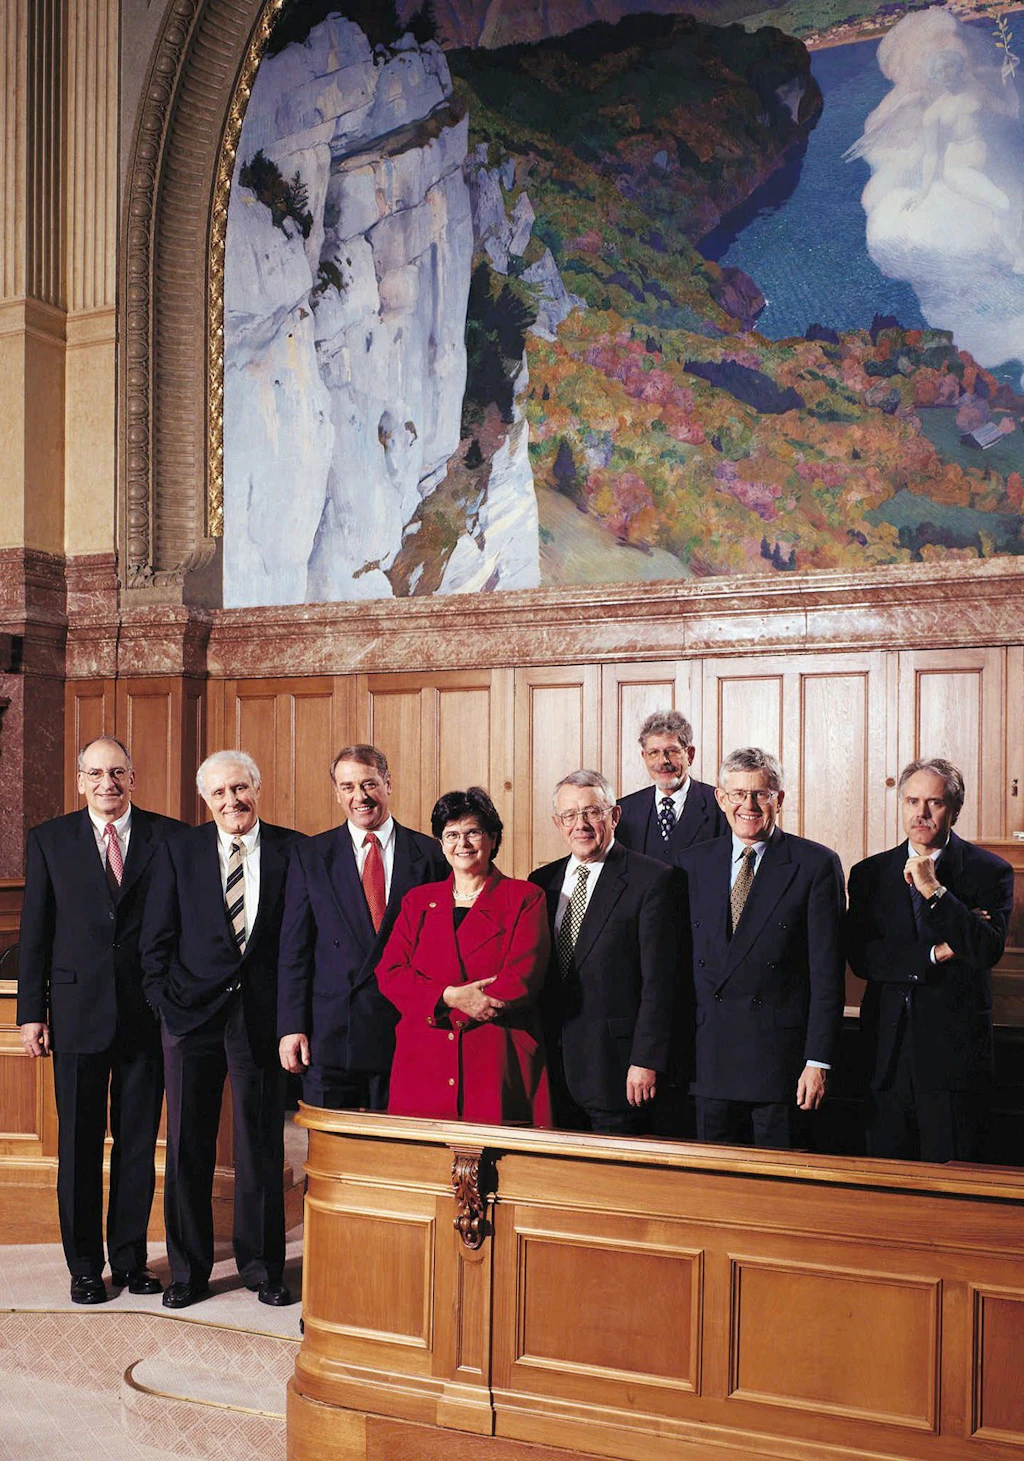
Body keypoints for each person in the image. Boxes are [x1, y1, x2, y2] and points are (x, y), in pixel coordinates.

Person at [17, 737, 182, 1304]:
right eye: (96, 773)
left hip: (147, 1016)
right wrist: (29, 1015)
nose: (107, 783)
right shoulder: (50, 840)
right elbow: (34, 933)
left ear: (133, 778)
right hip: (74, 1014)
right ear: (80, 780)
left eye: (118, 772)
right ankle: (85, 1266)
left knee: (137, 1145)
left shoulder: (171, 837)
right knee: (80, 1147)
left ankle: (132, 1261)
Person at [141, 751, 298, 1309]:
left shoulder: (292, 849)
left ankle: (262, 1268)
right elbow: (154, 938)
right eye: (219, 794)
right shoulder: (178, 850)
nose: (232, 801)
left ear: (258, 786)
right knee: (188, 1146)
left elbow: (297, 941)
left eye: (240, 788)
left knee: (260, 1145)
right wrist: (165, 1003)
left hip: (260, 1019)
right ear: (206, 801)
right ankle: (188, 1271)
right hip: (189, 1018)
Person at [676, 747, 846, 1150]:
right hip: (708, 1059)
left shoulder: (815, 864)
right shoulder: (692, 863)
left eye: (761, 794)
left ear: (779, 799)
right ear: (721, 798)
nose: (748, 805)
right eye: (737, 794)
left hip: (779, 1064)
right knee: (711, 1189)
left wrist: (818, 1061)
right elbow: (675, 970)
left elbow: (827, 976)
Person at [847, 757, 1014, 1163]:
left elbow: (984, 950)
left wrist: (934, 890)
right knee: (883, 1178)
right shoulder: (869, 872)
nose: (921, 813)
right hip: (883, 1054)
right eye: (912, 801)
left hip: (952, 1057)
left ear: (955, 809)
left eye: (934, 803)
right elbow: (864, 958)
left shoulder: (990, 872)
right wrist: (937, 953)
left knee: (952, 1179)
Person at [277, 744, 448, 1109]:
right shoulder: (311, 856)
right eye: (348, 787)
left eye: (369, 784)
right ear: (337, 793)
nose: (360, 797)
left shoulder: (430, 854)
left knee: (398, 1152)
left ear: (388, 783)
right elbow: (295, 949)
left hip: (405, 1027)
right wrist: (292, 1026)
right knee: (331, 1157)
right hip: (332, 1031)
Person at [376, 787, 550, 1124]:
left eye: (473, 832)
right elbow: (391, 972)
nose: (463, 843)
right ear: (441, 844)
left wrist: (464, 1003)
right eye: (451, 834)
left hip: (494, 1055)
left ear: (494, 838)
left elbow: (523, 975)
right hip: (425, 1057)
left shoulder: (525, 897)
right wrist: (450, 997)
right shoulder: (417, 901)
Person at [529, 770, 681, 1135]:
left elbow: (660, 984)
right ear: (558, 823)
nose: (580, 824)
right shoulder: (541, 883)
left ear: (614, 816)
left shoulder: (653, 880)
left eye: (592, 812)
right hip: (550, 1064)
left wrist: (646, 1060)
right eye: (569, 815)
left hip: (617, 1068)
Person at [615, 710, 727, 862]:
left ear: (690, 755)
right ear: (644, 757)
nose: (663, 761)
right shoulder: (624, 811)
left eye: (672, 751)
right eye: (654, 752)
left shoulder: (721, 807)